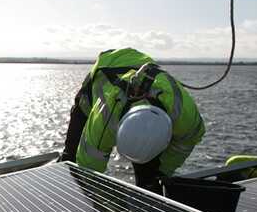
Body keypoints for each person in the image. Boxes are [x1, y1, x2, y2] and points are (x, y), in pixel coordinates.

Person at [60, 48, 205, 192]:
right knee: (72, 160)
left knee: (151, 178)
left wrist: (162, 172)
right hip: (107, 66)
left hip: (140, 65)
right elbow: (87, 167)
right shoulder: (106, 115)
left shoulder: (183, 113)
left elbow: (186, 143)